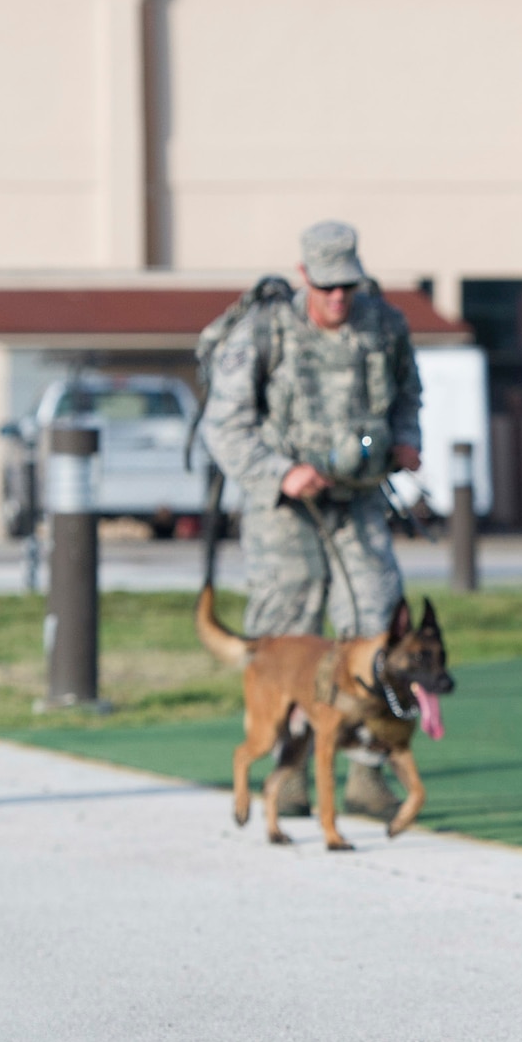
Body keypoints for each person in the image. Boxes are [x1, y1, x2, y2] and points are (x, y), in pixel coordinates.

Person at [201, 220, 423, 821]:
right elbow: (222, 427)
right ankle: (289, 773)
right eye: (326, 286)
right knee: (286, 635)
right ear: (304, 277)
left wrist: (406, 439)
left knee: (375, 622)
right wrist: (280, 472)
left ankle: (369, 773)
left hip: (359, 495)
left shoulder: (385, 325)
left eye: (347, 286)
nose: (338, 298)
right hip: (285, 505)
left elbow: (407, 394)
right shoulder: (263, 332)